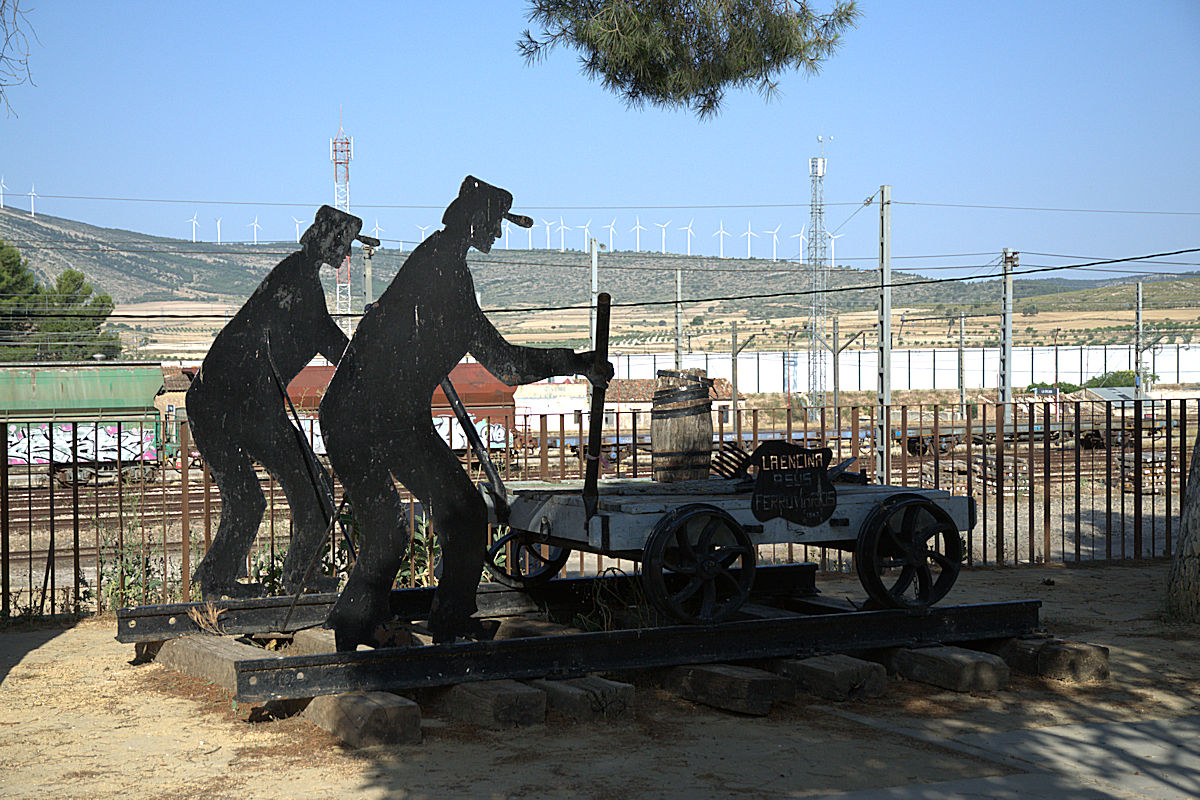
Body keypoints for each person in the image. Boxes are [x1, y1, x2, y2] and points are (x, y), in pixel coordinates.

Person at [320, 176, 612, 648]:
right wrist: (574, 362)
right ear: (476, 220)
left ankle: (366, 622)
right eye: (495, 223)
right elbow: (507, 365)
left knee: (415, 519)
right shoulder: (446, 273)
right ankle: (411, 624)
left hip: (372, 409)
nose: (497, 234)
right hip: (378, 413)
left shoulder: (435, 259)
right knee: (446, 516)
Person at [189, 205, 363, 599]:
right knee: (314, 490)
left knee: (249, 500)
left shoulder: (297, 275)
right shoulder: (299, 279)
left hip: (223, 399)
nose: (345, 251)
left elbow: (327, 339)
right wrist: (369, 358)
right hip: (241, 402)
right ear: (323, 237)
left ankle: (217, 583)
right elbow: (330, 340)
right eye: (342, 241)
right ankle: (296, 578)